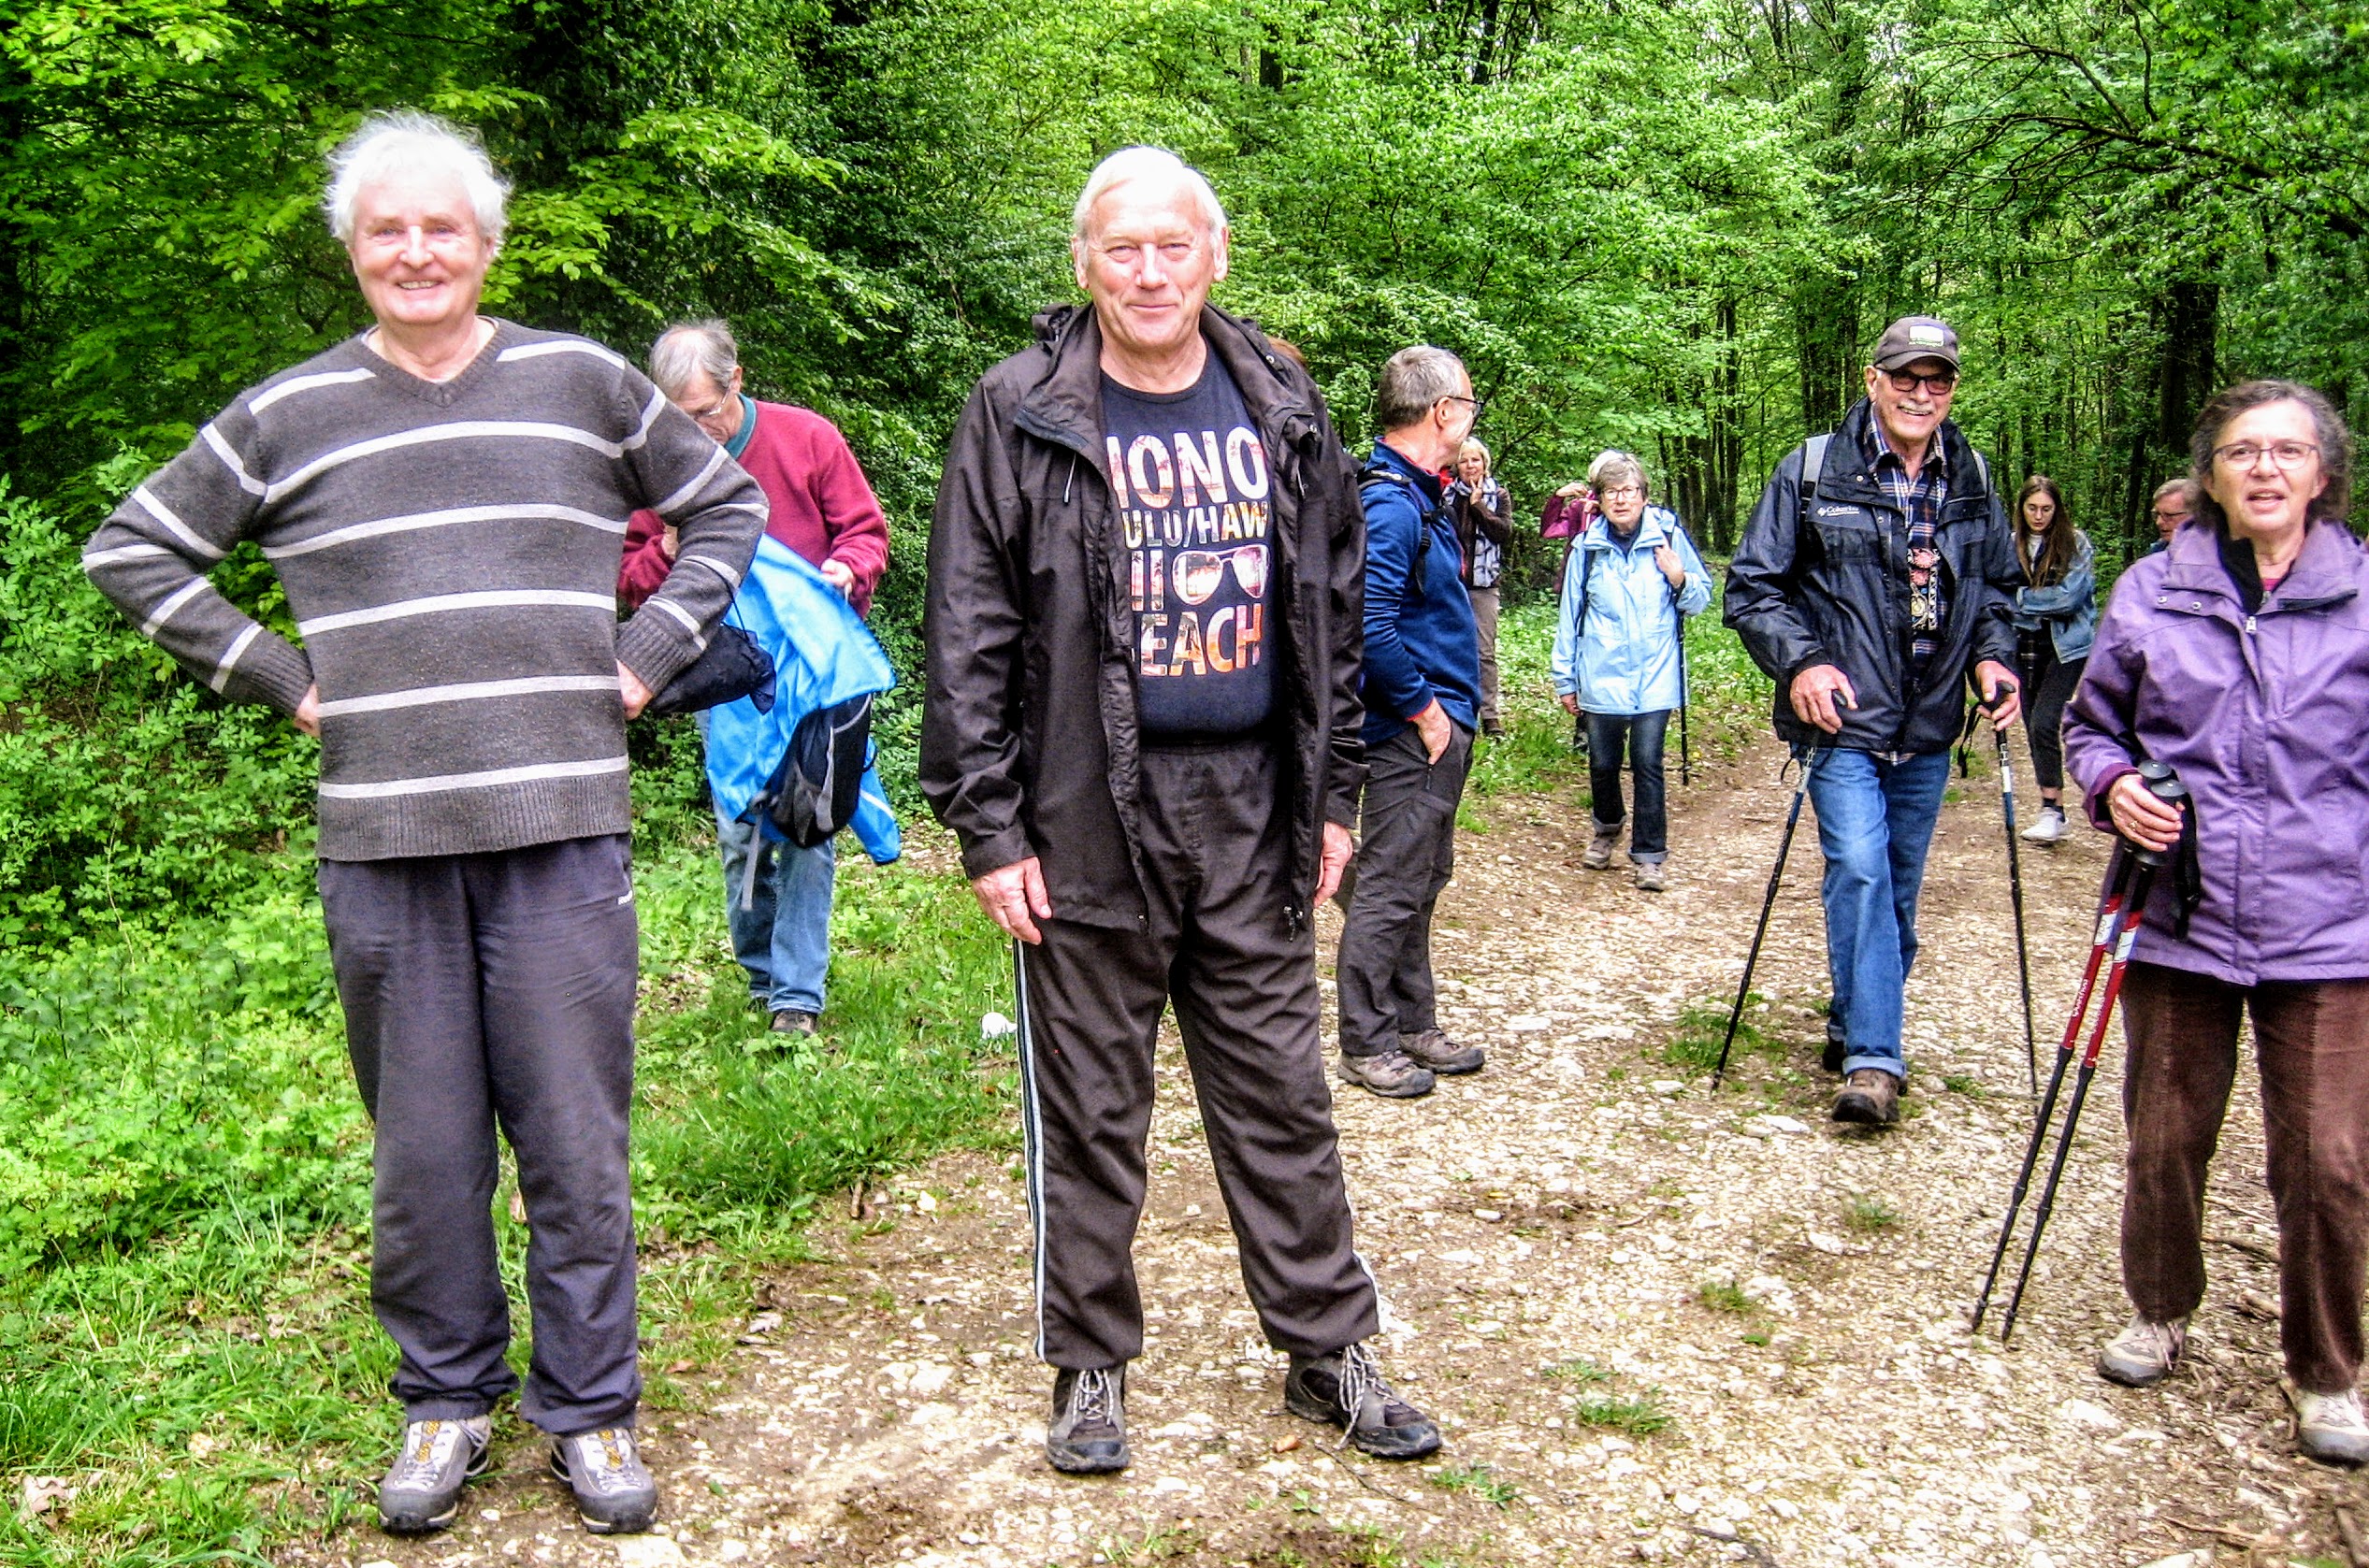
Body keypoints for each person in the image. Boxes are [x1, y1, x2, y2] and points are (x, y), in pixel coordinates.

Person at [79, 112, 767, 1535]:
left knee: (574, 1143)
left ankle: (592, 1410)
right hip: (382, 843)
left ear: (487, 244)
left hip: (561, 828)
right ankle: (445, 1399)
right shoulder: (287, 414)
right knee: (424, 1152)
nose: (414, 251)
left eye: (440, 226)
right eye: (385, 229)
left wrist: (647, 655)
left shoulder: (582, 384)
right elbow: (131, 546)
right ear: (350, 249)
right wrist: (275, 673)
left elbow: (727, 505)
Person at [919, 146, 1440, 1476]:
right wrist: (988, 825)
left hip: (1254, 808)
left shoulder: (1281, 398)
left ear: (1214, 256)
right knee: (1091, 1108)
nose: (1148, 273)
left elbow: (1330, 611)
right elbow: (968, 622)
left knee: (1281, 1096)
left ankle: (1327, 1349)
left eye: (1172, 246)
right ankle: (1089, 1362)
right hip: (1083, 809)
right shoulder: (1018, 408)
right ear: (1082, 263)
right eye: (1121, 248)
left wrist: (1334, 795)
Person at [2064, 379, 2369, 1467]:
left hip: (2328, 921)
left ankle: (2326, 1370)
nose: (2265, 468)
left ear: (2322, 473)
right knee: (2164, 1134)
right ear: (2212, 474)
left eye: (2288, 450)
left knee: (2327, 1160)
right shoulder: (2154, 588)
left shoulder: (2361, 592)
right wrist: (2112, 788)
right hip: (2177, 909)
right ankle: (2158, 1307)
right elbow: (2091, 726)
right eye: (2242, 451)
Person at [1725, 314, 2021, 1127]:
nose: (1921, 394)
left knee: (1894, 887)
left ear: (1952, 388)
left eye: (1937, 380)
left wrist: (1994, 658)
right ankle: (1874, 1061)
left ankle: (1853, 1016)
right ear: (1872, 380)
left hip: (1929, 722)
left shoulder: (1972, 477)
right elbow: (1752, 587)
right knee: (1858, 867)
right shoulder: (1812, 469)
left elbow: (1996, 591)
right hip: (1842, 721)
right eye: (1905, 378)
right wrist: (1802, 662)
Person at [616, 320, 891, 1040]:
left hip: (813, 666)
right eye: (676, 418)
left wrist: (847, 568)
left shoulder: (807, 437)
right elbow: (630, 577)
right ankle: (762, 972)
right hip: (724, 674)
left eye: (703, 412)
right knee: (742, 829)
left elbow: (865, 532)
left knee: (808, 822)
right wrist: (667, 546)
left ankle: (796, 996)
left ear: (735, 381)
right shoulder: (656, 467)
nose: (692, 432)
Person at [1333, 345, 1487, 1100]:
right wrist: (1426, 713)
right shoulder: (1391, 504)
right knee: (1391, 883)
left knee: (1421, 877)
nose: (1471, 416)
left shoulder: (1419, 495)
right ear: (1442, 412)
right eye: (1468, 403)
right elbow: (1368, 624)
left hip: (1433, 721)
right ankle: (1366, 1040)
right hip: (1407, 729)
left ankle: (1412, 1022)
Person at [1549, 451, 1709, 892]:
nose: (1621, 500)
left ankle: (1650, 856)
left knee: (1647, 762)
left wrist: (1679, 578)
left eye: (1629, 491)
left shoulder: (1668, 537)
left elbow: (1700, 599)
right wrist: (1566, 678)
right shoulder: (1587, 548)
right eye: (1611, 492)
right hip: (1600, 673)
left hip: (1655, 673)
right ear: (1599, 500)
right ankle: (1607, 827)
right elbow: (1570, 615)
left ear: (1643, 496)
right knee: (1602, 762)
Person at [2005, 475, 2094, 844]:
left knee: (2044, 721)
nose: (2039, 516)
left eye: (2046, 509)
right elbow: (1996, 593)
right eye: (2032, 508)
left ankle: (2053, 811)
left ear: (2057, 510)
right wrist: (2027, 603)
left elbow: (2069, 599)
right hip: (2023, 645)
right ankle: (2052, 808)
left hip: (2067, 647)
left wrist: (2020, 600)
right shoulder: (2010, 544)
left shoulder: (2076, 543)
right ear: (2021, 508)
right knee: (2031, 725)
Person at [1446, 437, 1512, 738]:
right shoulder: (1447, 495)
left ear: (1485, 463)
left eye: (1475, 460)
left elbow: (1502, 533)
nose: (1470, 465)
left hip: (1485, 585)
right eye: (1464, 460)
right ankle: (1457, 710)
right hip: (1453, 583)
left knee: (1484, 652)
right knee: (1453, 649)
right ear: (1456, 466)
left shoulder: (1498, 495)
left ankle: (1490, 716)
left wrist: (1479, 507)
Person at [2147, 476, 2197, 554]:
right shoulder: (2158, 550)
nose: (2159, 522)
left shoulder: (2213, 554)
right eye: (2157, 514)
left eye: (2169, 515)